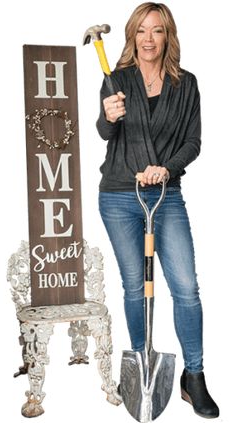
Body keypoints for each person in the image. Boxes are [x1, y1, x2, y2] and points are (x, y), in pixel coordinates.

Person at [96, 2, 219, 418]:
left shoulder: (186, 84)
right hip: (117, 196)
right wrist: (108, 116)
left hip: (165, 196)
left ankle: (194, 376)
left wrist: (166, 168)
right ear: (132, 35)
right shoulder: (115, 80)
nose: (149, 39)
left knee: (185, 287)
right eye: (142, 31)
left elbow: (193, 142)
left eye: (158, 31)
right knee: (136, 288)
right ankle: (140, 367)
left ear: (168, 36)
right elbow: (105, 132)